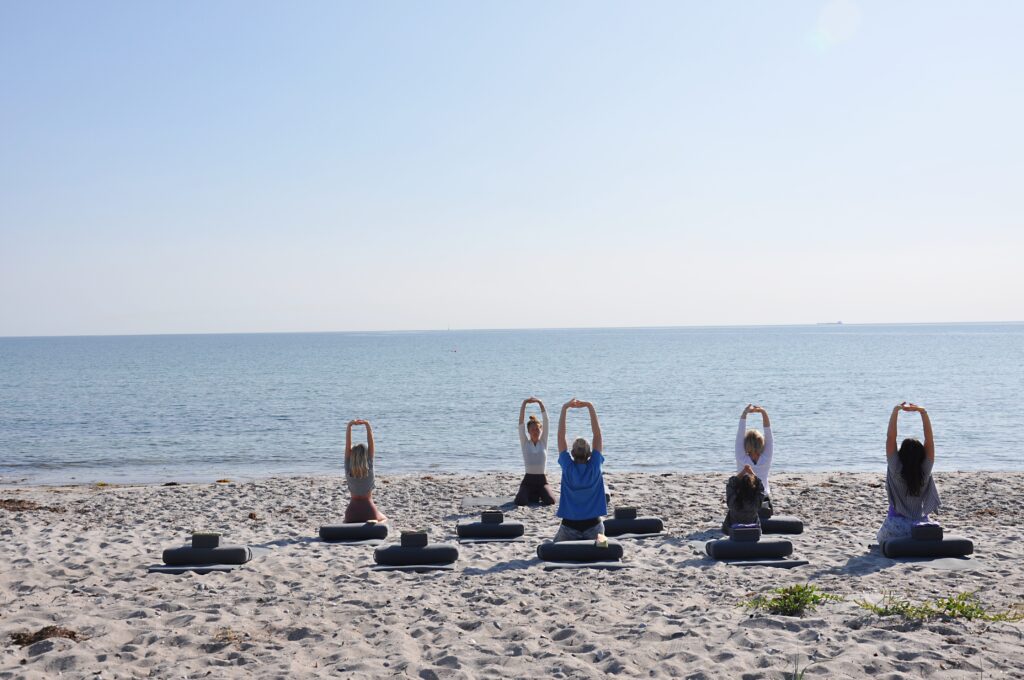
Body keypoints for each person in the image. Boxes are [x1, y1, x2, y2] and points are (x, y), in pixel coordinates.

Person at [876, 402, 940, 543]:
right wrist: (923, 412)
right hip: (919, 527)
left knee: (879, 538)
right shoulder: (925, 470)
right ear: (921, 455)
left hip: (896, 528)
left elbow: (890, 438)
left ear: (901, 453)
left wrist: (895, 411)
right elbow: (929, 439)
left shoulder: (895, 468)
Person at [553, 399, 608, 542]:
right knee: (604, 548)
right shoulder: (595, 465)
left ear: (571, 453)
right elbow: (597, 435)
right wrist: (590, 406)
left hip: (569, 526)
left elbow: (560, 436)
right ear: (590, 453)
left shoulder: (567, 466)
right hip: (594, 526)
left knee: (554, 548)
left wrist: (565, 408)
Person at [514, 397, 556, 506]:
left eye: (537, 429)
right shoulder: (525, 443)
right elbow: (521, 423)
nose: (535, 431)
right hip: (528, 481)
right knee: (520, 502)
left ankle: (537, 494)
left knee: (550, 501)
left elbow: (546, 421)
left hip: (542, 481)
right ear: (528, 431)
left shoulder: (543, 442)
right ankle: (530, 494)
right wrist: (524, 403)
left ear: (541, 430)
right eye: (532, 429)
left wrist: (540, 403)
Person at [343, 419, 387, 523]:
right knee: (384, 518)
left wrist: (349, 426)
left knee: (345, 521)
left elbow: (347, 445)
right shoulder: (369, 465)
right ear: (366, 455)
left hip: (351, 513)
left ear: (352, 455)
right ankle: (376, 523)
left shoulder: (348, 467)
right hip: (369, 511)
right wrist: (367, 424)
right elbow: (371, 444)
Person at [736, 404, 774, 518]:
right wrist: (763, 412)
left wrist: (744, 414)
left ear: (745, 443)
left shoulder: (741, 458)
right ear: (761, 443)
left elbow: (740, 434)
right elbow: (768, 431)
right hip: (763, 499)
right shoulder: (766, 457)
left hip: (744, 500)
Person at [721, 464, 766, 534]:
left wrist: (743, 472)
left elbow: (731, 484)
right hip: (753, 531)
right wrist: (751, 472)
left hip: (731, 531)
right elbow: (760, 486)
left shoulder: (733, 500)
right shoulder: (756, 501)